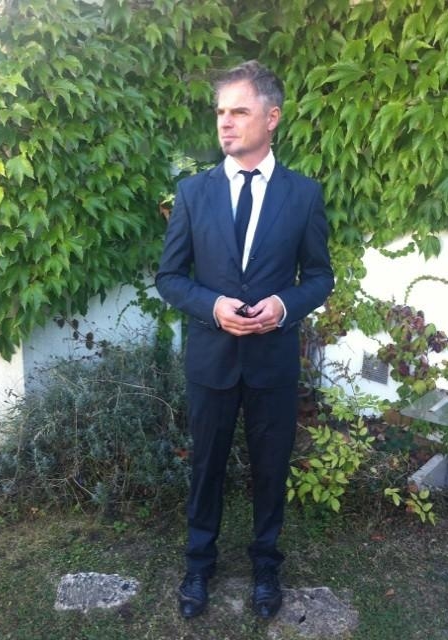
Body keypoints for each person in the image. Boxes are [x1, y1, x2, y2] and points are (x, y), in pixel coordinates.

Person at [156, 60, 333, 620]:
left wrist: (284, 306)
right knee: (205, 466)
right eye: (220, 112)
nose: (225, 123)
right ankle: (198, 565)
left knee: (271, 468)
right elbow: (170, 277)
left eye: (239, 111)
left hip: (272, 362)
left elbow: (320, 277)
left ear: (271, 117)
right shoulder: (193, 193)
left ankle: (265, 566)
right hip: (211, 360)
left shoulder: (304, 195)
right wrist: (213, 306)